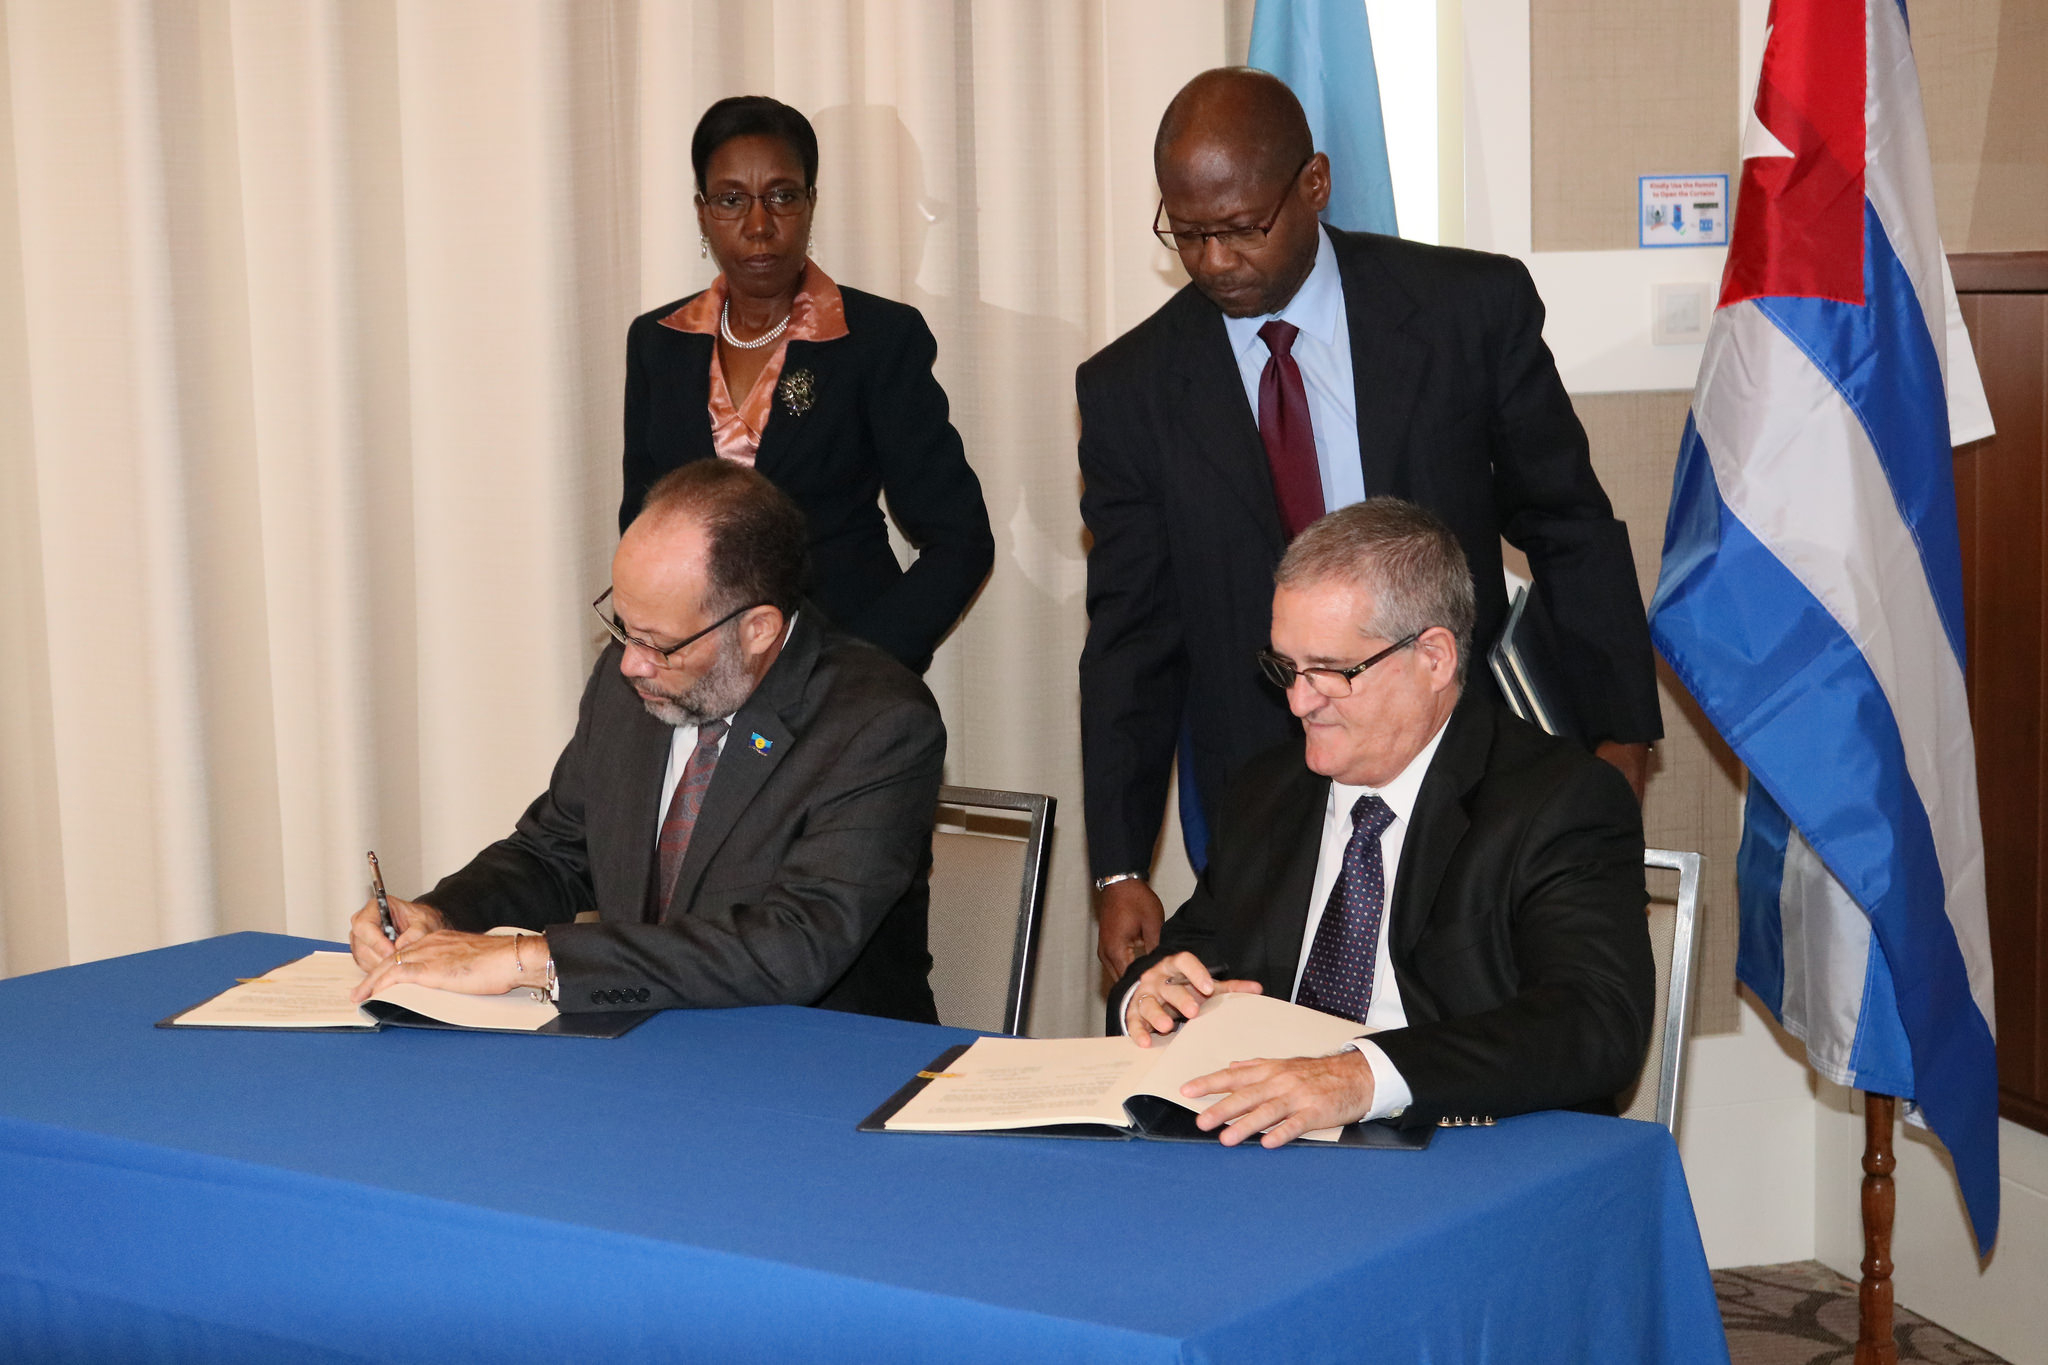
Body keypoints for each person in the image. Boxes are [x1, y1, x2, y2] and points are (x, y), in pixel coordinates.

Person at [1080, 68, 1662, 978]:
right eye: (1187, 234)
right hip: (1262, 793)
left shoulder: (1468, 311)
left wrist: (1619, 732)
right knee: (1270, 1060)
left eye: (1240, 228)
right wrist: (1118, 863)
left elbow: (1567, 520)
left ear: (1313, 184)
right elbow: (1131, 634)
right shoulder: (1131, 390)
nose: (1215, 262)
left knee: (1471, 1026)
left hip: (1464, 765)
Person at [1110, 499, 1652, 1145]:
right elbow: (1197, 949)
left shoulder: (1558, 799)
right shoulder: (1268, 789)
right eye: (1286, 665)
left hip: (1467, 1141)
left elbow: (1594, 1022)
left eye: (1331, 671)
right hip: (1269, 1142)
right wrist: (1149, 993)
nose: (1298, 700)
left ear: (1433, 657)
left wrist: (1362, 1077)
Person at [348, 461, 942, 1023]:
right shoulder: (632, 679)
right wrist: (441, 915)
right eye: (622, 627)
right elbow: (556, 852)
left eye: (659, 643)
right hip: (640, 1038)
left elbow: (793, 946)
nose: (631, 664)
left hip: (822, 1065)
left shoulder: (877, 723)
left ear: (757, 629)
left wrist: (531, 958)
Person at [620, 95, 993, 675]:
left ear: (812, 203)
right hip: (692, 678)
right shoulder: (658, 342)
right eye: (731, 200)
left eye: (783, 196)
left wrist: (861, 669)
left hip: (837, 684)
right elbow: (641, 525)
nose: (759, 224)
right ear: (702, 212)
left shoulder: (877, 339)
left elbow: (961, 539)